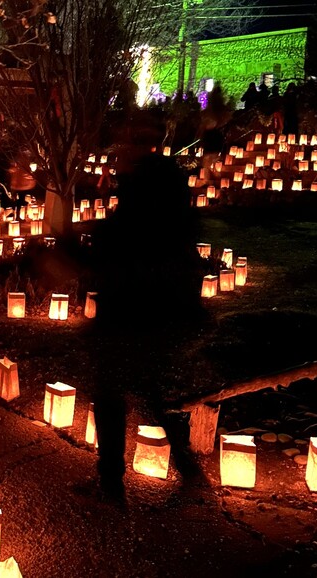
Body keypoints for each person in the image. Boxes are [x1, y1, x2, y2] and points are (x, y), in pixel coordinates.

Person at [89, 153, 205, 503]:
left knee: (111, 396)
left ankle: (110, 483)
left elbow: (107, 252)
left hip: (123, 317)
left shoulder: (129, 223)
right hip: (160, 321)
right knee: (151, 392)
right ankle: (189, 471)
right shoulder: (179, 223)